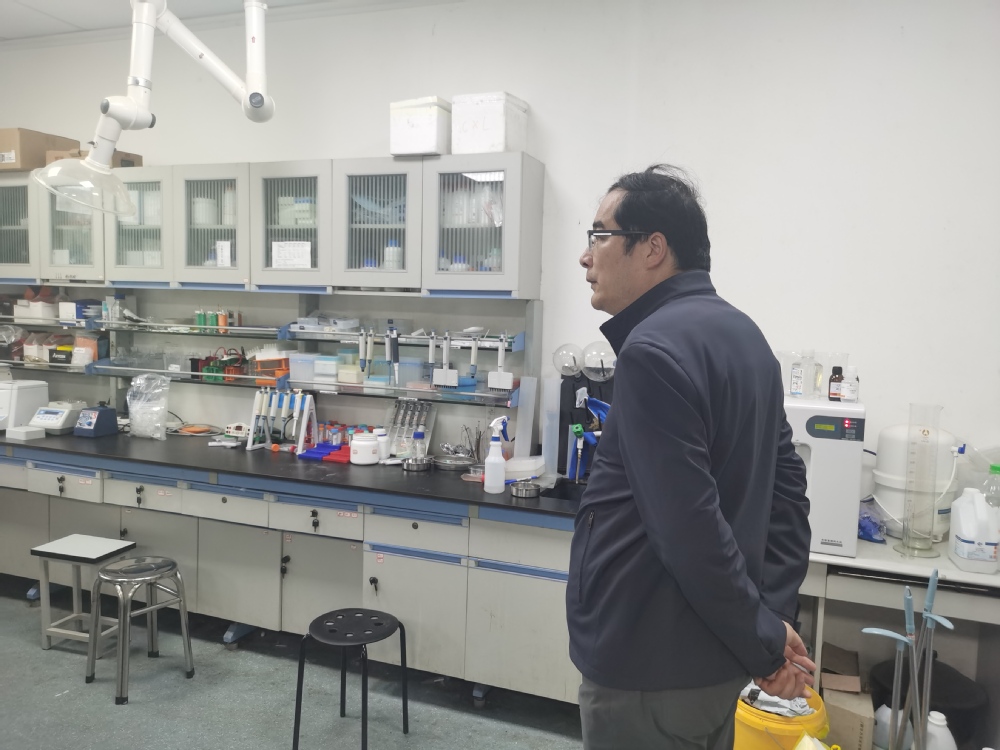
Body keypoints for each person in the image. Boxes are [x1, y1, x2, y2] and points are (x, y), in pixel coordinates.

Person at [566, 165, 815, 750]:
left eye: (600, 235)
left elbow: (688, 530)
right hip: (715, 663)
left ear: (653, 249)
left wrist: (766, 640)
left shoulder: (651, 351)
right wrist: (772, 622)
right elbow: (788, 495)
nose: (586, 256)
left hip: (648, 666)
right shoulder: (746, 337)